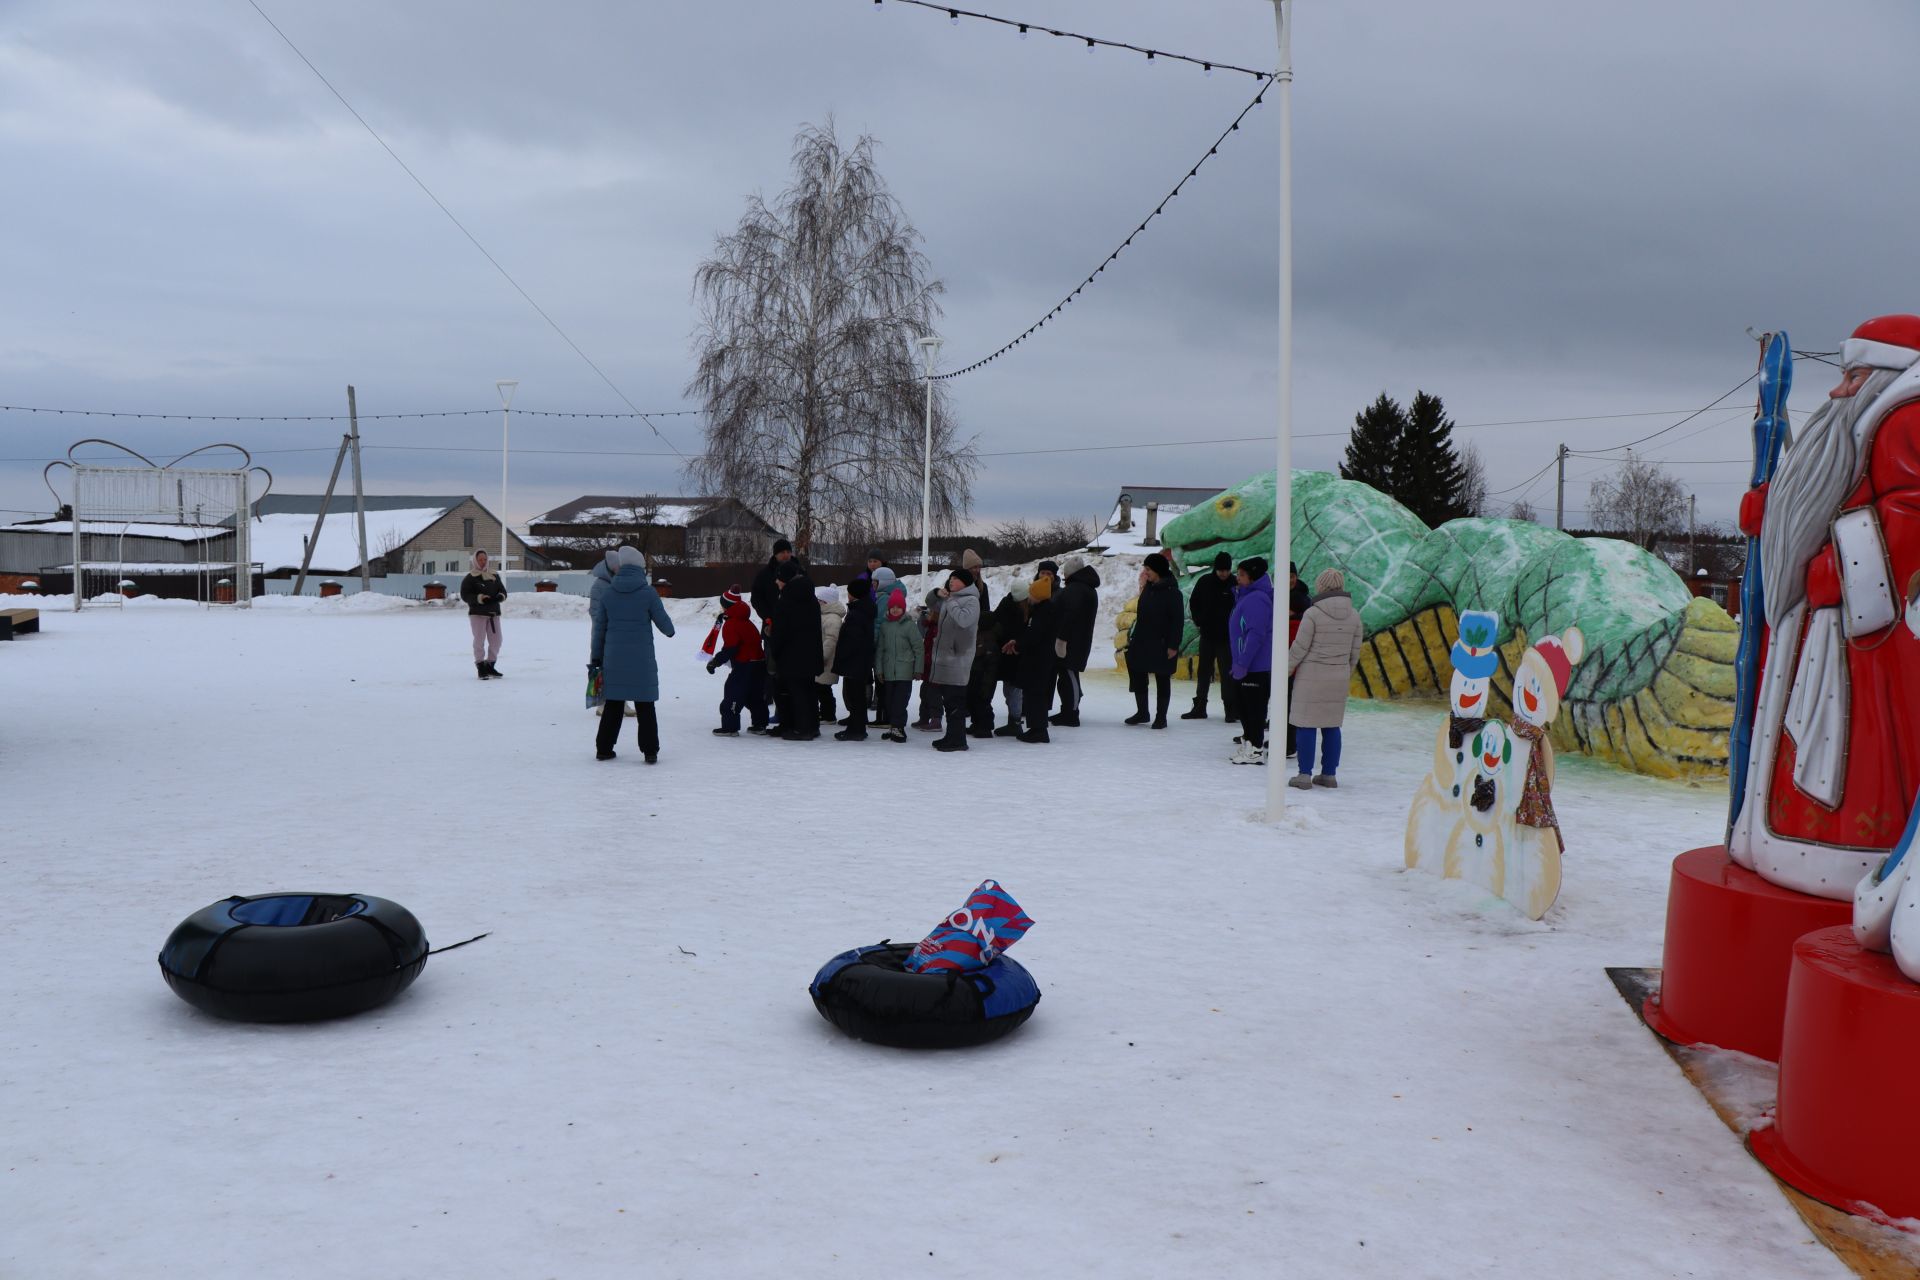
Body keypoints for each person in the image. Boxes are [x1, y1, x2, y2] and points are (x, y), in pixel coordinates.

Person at [1729, 315, 1920, 898]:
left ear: (1884, 372)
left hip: (1867, 637)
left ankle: (1843, 854)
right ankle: (1784, 836)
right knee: (1812, 732)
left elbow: (1909, 518)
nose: (1838, 387)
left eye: (1853, 374)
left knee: (1845, 742)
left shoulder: (1903, 414)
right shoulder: (1861, 415)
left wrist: (1828, 568)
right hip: (1828, 624)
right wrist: (1773, 513)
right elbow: (1820, 495)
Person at [589, 546, 676, 762]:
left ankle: (604, 749)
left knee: (613, 705)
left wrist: (596, 658)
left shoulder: (609, 593)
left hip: (613, 659)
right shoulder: (648, 593)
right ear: (640, 568)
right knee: (645, 704)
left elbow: (599, 630)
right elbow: (668, 628)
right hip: (641, 660)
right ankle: (650, 751)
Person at [1286, 567, 1363, 788]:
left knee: (1306, 724)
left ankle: (1304, 775)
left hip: (1311, 675)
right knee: (1331, 726)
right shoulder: (1354, 616)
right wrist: (1344, 671)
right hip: (1338, 675)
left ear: (1321, 586)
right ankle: (1329, 774)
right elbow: (1354, 653)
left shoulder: (1313, 614)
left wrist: (1286, 669)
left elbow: (1300, 647)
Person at [1125, 553, 1184, 728]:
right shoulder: (1148, 588)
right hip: (1142, 641)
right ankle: (1142, 712)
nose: (1146, 572)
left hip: (1162, 642)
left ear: (1158, 570)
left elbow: (1177, 622)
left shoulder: (1173, 593)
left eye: (1148, 569)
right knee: (1138, 673)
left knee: (1162, 677)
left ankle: (1161, 717)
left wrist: (1173, 645)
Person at [1227, 558, 1274, 765]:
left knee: (1254, 709)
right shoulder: (1246, 596)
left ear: (1253, 577)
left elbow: (1256, 633)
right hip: (1245, 663)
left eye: (1242, 574)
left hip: (1255, 666)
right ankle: (1249, 742)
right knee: (1244, 707)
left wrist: (1244, 662)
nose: (1237, 577)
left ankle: (1255, 747)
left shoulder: (1257, 599)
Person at [771, 563, 824, 740]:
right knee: (808, 690)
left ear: (785, 579)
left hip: (791, 655)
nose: (777, 581)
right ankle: (810, 726)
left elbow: (781, 630)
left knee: (795, 692)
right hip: (809, 653)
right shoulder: (809, 597)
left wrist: (775, 649)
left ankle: (801, 729)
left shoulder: (787, 600)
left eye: (779, 578)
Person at [1183, 552, 1239, 722]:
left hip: (1227, 638)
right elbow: (1194, 602)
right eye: (1220, 570)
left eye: (1226, 570)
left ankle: (1230, 709)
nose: (1223, 573)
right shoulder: (1205, 582)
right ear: (1215, 568)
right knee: (1204, 671)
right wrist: (1200, 621)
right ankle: (1200, 706)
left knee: (1227, 673)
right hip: (1207, 635)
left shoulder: (1235, 584)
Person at [930, 568, 982, 751]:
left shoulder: (971, 600)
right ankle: (951, 735)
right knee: (948, 700)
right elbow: (930, 602)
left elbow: (963, 620)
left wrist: (950, 601)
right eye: (950, 578)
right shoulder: (950, 598)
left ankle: (958, 740)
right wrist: (937, 593)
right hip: (946, 658)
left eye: (956, 579)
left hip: (959, 659)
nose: (951, 581)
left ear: (965, 582)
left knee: (956, 701)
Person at [705, 587, 767, 736]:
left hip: (744, 665)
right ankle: (760, 725)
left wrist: (715, 661)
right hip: (759, 663)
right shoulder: (747, 622)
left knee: (733, 693)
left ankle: (730, 727)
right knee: (754, 695)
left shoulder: (732, 624)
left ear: (726, 606)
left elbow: (730, 648)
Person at [1051, 557, 1100, 727]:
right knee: (1068, 676)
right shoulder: (1084, 587)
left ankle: (1071, 714)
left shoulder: (1077, 589)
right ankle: (1068, 710)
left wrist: (1061, 639)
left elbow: (1070, 615)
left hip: (1071, 641)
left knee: (1068, 674)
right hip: (1078, 639)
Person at [875, 588, 923, 743]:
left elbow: (918, 649)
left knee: (900, 702)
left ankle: (899, 728)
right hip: (888, 672)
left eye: (898, 607)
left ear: (903, 609)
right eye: (892, 607)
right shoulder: (884, 626)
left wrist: (918, 670)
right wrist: (879, 670)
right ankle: (893, 727)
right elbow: (880, 650)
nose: (895, 610)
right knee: (888, 701)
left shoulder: (909, 626)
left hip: (905, 671)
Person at [1017, 569, 1059, 742]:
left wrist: (1020, 644)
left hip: (1039, 660)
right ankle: (1036, 728)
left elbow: (1034, 636)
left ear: (1038, 596)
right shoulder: (1042, 610)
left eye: (1031, 594)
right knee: (1035, 694)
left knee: (1036, 694)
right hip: (1039, 659)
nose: (1029, 597)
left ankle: (1039, 730)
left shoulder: (1043, 612)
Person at [833, 579, 877, 741]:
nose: (848, 594)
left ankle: (856, 729)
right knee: (856, 695)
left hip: (854, 660)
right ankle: (856, 726)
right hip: (859, 660)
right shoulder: (862, 609)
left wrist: (843, 655)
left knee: (855, 696)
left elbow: (852, 640)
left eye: (850, 591)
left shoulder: (858, 613)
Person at [990, 581, 1030, 737]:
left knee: (1013, 689)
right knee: (1013, 689)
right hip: (1011, 654)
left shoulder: (1009, 605)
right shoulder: (1014, 607)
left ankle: (1014, 722)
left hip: (1011, 654)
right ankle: (1014, 721)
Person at [460, 549, 508, 679]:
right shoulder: (470, 577)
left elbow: (503, 591)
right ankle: (480, 666)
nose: (483, 562)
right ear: (475, 561)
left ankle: (490, 665)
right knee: (479, 640)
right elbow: (465, 595)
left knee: (497, 640)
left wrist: (500, 597)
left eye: (485, 559)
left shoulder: (494, 575)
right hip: (478, 614)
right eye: (480, 559)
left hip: (493, 613)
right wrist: (480, 598)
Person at [913, 587, 945, 733]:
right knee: (924, 691)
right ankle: (924, 717)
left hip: (936, 666)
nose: (928, 615)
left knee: (934, 693)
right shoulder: (930, 626)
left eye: (932, 612)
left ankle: (936, 719)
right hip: (928, 665)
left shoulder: (939, 628)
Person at [815, 584, 847, 725]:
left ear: (826, 602)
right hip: (822, 659)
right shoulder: (824, 616)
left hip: (826, 660)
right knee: (820, 687)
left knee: (823, 688)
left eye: (820, 601)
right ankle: (825, 713)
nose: (817, 603)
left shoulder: (832, 618)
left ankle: (828, 715)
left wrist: (822, 657)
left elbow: (831, 639)